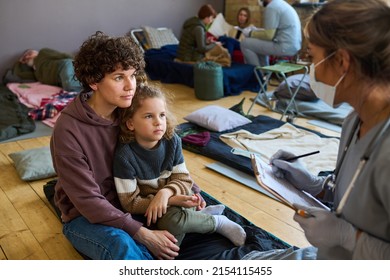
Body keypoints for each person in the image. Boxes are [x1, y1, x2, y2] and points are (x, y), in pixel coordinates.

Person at [243, 0, 390, 260]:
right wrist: (316, 187)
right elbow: (355, 199)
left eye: (311, 57)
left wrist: (347, 237)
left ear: (343, 61)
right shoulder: (354, 121)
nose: (312, 71)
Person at [50, 31, 187, 260]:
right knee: (120, 244)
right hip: (85, 217)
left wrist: (181, 190)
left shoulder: (131, 111)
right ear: (94, 81)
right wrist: (142, 233)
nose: (130, 86)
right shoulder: (67, 130)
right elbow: (89, 202)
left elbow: (166, 149)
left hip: (135, 200)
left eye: (132, 76)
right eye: (118, 77)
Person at [113, 84, 247, 247]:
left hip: (176, 192)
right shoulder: (124, 156)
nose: (158, 122)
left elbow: (183, 178)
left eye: (162, 115)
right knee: (172, 236)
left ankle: (217, 222)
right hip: (153, 206)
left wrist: (166, 193)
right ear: (130, 123)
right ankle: (199, 217)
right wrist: (171, 200)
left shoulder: (172, 141)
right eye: (149, 116)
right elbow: (130, 203)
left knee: (172, 226)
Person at [240, 0, 302, 67]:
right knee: (258, 43)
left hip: (284, 47)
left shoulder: (272, 7)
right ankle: (264, 73)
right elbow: (273, 32)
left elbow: (269, 35)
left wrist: (250, 33)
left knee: (245, 43)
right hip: (294, 47)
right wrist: (257, 31)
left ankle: (257, 74)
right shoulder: (281, 4)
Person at [16, 48, 83, 92]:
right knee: (71, 90)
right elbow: (19, 74)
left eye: (29, 54)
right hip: (59, 79)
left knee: (69, 85)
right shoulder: (36, 74)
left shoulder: (42, 53)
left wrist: (79, 61)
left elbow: (61, 55)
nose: (27, 57)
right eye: (25, 58)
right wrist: (19, 62)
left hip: (63, 66)